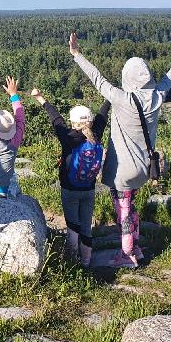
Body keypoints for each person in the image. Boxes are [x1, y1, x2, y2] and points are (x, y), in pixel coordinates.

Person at [70, 32, 171, 268]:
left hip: (122, 171)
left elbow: (97, 78)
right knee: (131, 208)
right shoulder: (157, 95)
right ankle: (136, 248)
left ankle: (127, 255)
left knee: (123, 211)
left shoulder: (121, 98)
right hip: (144, 168)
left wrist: (76, 54)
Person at [31, 88, 110, 267]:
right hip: (89, 188)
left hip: (69, 189)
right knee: (86, 226)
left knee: (73, 226)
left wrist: (41, 98)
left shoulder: (68, 137)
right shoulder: (96, 133)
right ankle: (87, 262)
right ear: (90, 121)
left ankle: (72, 261)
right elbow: (103, 115)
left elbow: (56, 119)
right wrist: (109, 98)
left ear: (73, 123)